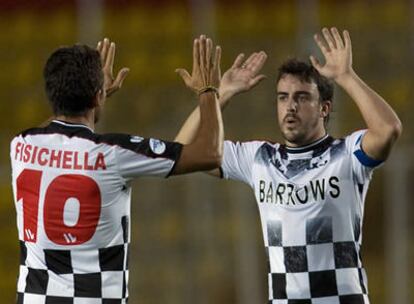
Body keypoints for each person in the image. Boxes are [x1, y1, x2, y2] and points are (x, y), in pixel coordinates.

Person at [175, 27, 402, 303]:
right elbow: (181, 152)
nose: (290, 106)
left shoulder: (346, 155)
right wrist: (219, 94)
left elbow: (388, 129)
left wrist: (346, 77)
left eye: (302, 97)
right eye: (283, 97)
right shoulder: (259, 159)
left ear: (324, 108)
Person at [11, 35, 224, 304]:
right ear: (98, 96)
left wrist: (94, 96)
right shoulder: (114, 152)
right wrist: (208, 90)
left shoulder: (20, 146)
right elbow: (210, 153)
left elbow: (53, 133)